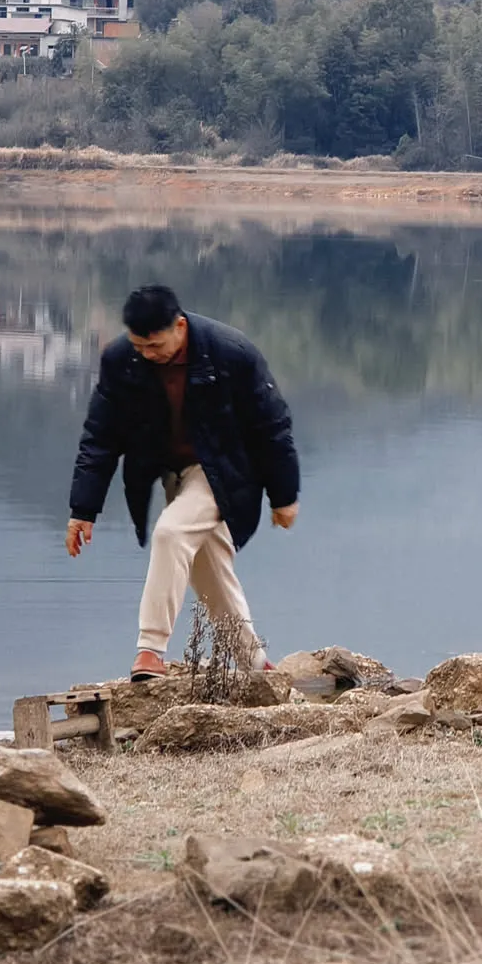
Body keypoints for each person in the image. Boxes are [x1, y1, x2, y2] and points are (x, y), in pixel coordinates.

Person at [67, 285, 301, 681]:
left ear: (179, 326)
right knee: (208, 567)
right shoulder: (122, 360)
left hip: (225, 470)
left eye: (155, 346)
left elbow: (272, 426)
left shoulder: (230, 352)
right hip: (173, 473)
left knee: (171, 534)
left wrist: (284, 495)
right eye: (139, 346)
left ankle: (150, 651)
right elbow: (100, 437)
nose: (147, 355)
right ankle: (257, 666)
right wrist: (82, 510)